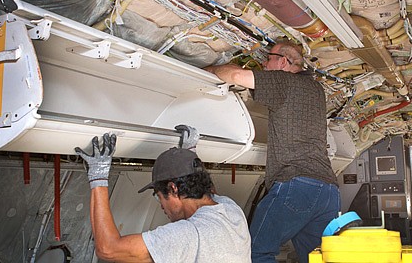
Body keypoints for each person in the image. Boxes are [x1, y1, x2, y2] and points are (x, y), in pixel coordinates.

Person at [205, 42, 340, 263]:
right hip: (328, 192)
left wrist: (209, 71)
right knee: (319, 258)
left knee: (257, 252)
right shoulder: (317, 89)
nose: (264, 64)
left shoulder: (283, 81)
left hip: (297, 186)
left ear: (284, 62)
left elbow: (237, 75)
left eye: (268, 58)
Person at [75, 132, 251, 263]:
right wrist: (188, 156)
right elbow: (210, 191)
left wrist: (98, 176)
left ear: (173, 189)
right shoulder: (230, 208)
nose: (161, 207)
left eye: (159, 197)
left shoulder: (188, 235)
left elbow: (108, 249)